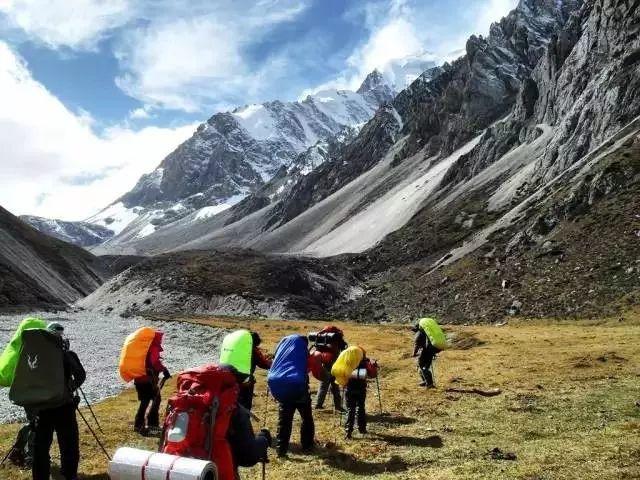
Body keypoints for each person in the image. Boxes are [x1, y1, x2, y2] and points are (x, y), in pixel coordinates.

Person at [32, 322, 86, 480]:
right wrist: (70, 387)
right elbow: (81, 376)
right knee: (69, 443)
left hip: (42, 407)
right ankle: (69, 475)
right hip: (64, 406)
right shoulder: (67, 354)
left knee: (41, 445)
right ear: (61, 337)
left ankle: (40, 476)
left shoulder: (36, 355)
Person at [134, 330, 170, 435]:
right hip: (149, 379)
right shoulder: (153, 348)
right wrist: (164, 370)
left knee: (145, 401)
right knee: (155, 399)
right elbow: (155, 363)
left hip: (140, 379)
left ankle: (139, 424)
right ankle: (151, 424)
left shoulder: (145, 348)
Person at [312, 327, 347, 411]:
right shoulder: (337, 340)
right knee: (335, 386)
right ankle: (338, 406)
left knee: (323, 386)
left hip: (325, 365)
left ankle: (318, 404)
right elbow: (343, 350)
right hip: (335, 366)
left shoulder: (323, 340)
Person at [344, 354, 378, 439]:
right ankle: (362, 429)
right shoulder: (365, 362)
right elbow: (372, 375)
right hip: (361, 389)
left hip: (350, 389)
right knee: (361, 408)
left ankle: (348, 431)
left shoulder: (348, 361)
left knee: (350, 409)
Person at [238, 332, 272, 411]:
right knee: (246, 404)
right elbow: (264, 364)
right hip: (246, 380)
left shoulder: (238, 348)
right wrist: (272, 363)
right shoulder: (253, 350)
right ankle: (244, 421)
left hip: (232, 378)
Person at [412, 323, 440, 387]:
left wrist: (414, 353)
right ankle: (426, 381)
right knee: (426, 367)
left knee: (421, 367)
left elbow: (417, 345)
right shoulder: (427, 333)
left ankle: (429, 383)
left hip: (425, 352)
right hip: (430, 352)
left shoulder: (419, 334)